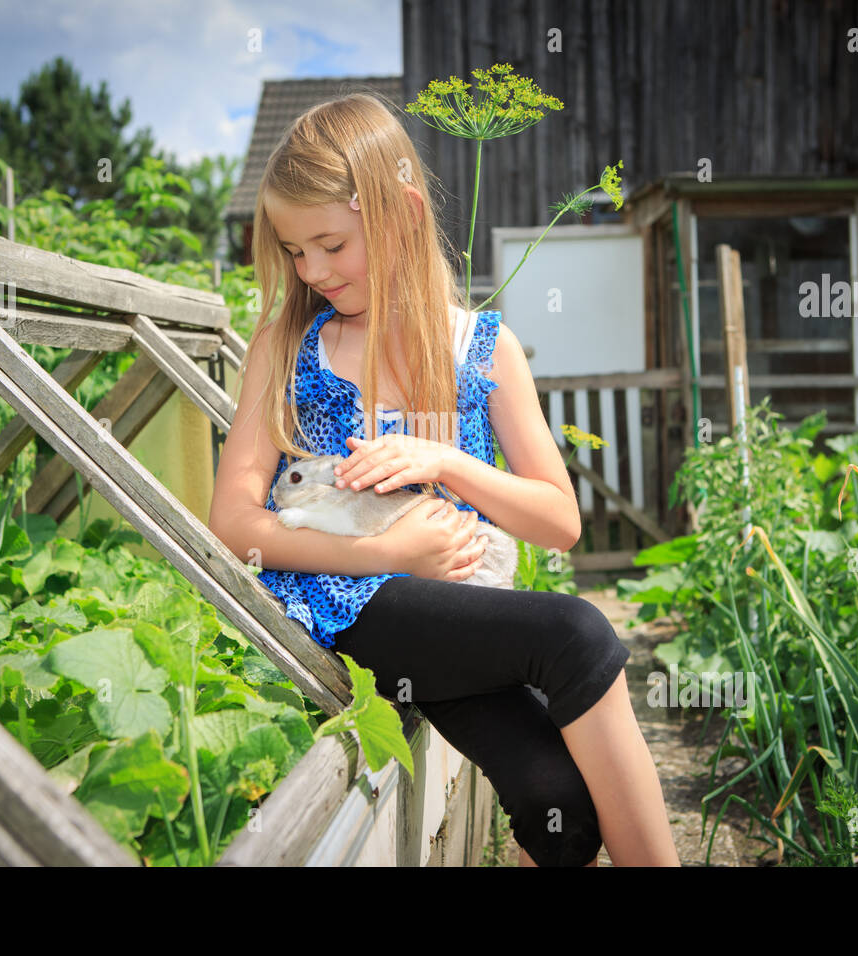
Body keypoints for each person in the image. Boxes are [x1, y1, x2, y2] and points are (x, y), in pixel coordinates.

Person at [207, 91, 679, 867]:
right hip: (346, 611)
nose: (313, 270)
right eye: (294, 251)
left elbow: (560, 521)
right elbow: (232, 521)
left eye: (330, 243)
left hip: (451, 627)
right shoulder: (286, 347)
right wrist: (389, 553)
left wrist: (449, 462)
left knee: (559, 805)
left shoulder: (487, 349)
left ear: (403, 209)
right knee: (577, 633)